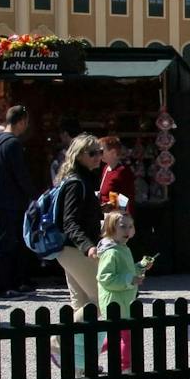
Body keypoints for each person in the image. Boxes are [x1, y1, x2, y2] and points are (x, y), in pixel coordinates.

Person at [0, 105, 38, 297]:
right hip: (11, 201)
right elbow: (20, 174)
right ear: (21, 121)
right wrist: (33, 195)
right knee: (7, 243)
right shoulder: (12, 143)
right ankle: (3, 286)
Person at [54, 134, 105, 313]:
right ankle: (58, 341)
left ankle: (66, 341)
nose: (98, 156)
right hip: (75, 250)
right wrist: (88, 247)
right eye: (92, 153)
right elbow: (69, 222)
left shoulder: (82, 179)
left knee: (81, 305)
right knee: (102, 299)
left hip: (71, 250)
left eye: (100, 152)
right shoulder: (76, 183)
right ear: (79, 155)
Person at [96, 210, 146, 370]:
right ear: (111, 229)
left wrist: (140, 267)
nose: (127, 230)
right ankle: (125, 366)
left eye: (130, 226)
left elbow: (126, 270)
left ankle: (84, 357)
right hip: (114, 301)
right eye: (122, 226)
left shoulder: (122, 248)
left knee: (115, 336)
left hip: (123, 301)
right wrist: (130, 280)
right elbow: (105, 278)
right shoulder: (111, 252)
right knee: (124, 336)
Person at [97, 135, 137, 208]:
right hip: (105, 215)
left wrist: (108, 206)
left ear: (113, 153)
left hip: (116, 216)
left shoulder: (123, 171)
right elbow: (109, 193)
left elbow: (126, 200)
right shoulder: (106, 168)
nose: (99, 153)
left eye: (102, 151)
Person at [51, 116, 82, 186]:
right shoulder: (86, 149)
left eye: (60, 134)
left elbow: (57, 182)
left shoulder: (62, 155)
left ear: (65, 134)